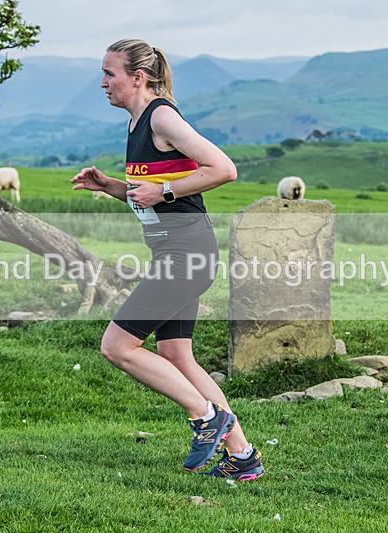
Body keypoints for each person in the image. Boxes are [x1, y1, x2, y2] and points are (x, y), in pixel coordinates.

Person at [71, 38, 264, 481]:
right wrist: (114, 186)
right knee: (176, 353)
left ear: (137, 77)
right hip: (174, 252)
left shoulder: (160, 115)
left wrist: (165, 191)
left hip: (187, 253)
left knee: (117, 347)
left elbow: (223, 168)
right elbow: (154, 191)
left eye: (109, 73)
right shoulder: (137, 120)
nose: (102, 82)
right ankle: (243, 458)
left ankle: (206, 417)